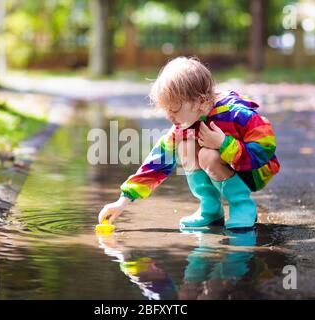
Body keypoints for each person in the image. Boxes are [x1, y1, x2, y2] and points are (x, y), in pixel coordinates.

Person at [98, 56, 280, 229]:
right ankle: (210, 209)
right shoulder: (186, 122)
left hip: (253, 169)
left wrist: (224, 143)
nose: (169, 116)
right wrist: (123, 201)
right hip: (229, 163)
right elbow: (159, 160)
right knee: (185, 146)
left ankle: (241, 205)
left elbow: (265, 148)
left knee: (207, 155)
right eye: (166, 109)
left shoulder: (236, 113)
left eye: (174, 109)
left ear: (200, 101)